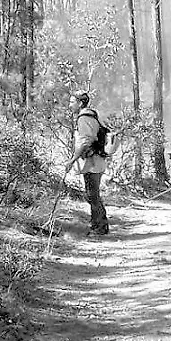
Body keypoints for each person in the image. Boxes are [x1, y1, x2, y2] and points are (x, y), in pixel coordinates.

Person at [65, 90, 110, 235]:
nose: (69, 105)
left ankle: (99, 227)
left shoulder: (84, 118)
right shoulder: (92, 115)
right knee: (92, 194)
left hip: (93, 162)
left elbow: (85, 142)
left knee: (92, 195)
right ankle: (99, 224)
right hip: (96, 160)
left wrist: (72, 160)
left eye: (72, 102)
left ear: (80, 103)